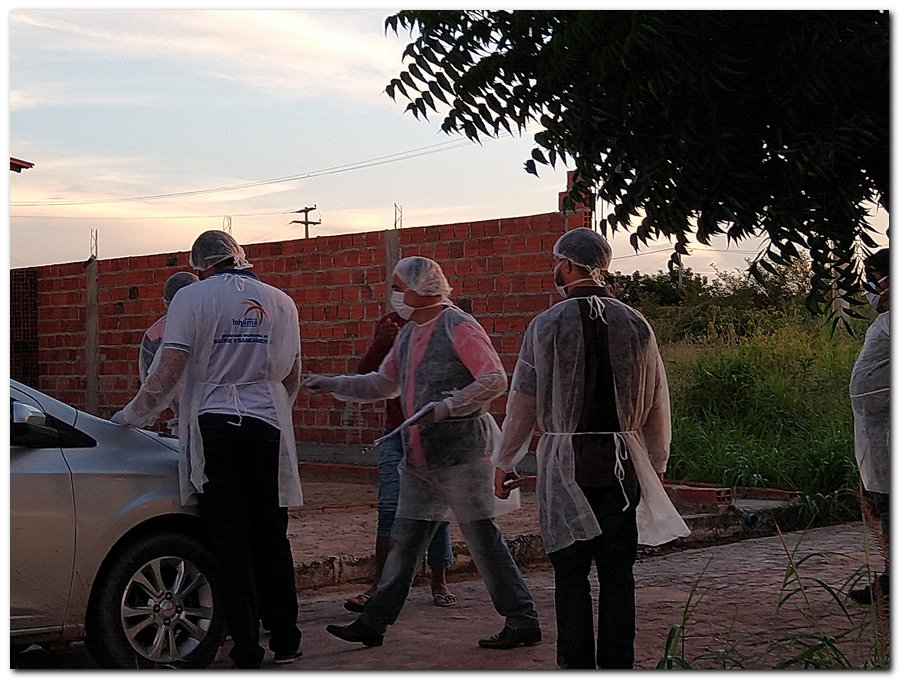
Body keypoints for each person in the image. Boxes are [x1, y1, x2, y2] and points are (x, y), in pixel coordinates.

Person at [303, 256, 540, 650]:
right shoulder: (410, 334)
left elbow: (494, 378)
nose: (394, 296)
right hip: (421, 455)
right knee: (406, 539)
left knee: (483, 539)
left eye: (399, 287)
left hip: (462, 452)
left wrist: (450, 405)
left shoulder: (458, 325)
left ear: (422, 289)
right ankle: (374, 621)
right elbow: (385, 382)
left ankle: (522, 618)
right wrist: (334, 384)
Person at [492, 227, 690, 669]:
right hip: (625, 463)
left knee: (570, 574)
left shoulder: (545, 325)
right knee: (619, 576)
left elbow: (523, 398)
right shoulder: (636, 323)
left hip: (567, 466)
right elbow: (658, 399)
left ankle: (576, 666)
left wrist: (505, 460)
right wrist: (657, 462)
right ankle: (618, 665)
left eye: (556, 261)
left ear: (567, 264)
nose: (554, 269)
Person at [111, 230, 304, 668]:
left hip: (216, 425)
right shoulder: (280, 301)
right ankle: (287, 639)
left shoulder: (191, 300)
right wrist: (272, 409)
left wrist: (131, 417)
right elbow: (293, 374)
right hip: (268, 426)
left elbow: (167, 370)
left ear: (198, 263)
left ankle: (247, 648)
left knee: (230, 540)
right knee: (272, 535)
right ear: (239, 256)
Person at [344, 309, 457, 613]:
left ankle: (438, 579)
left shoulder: (448, 321)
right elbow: (367, 375)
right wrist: (381, 344)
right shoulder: (391, 323)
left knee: (435, 510)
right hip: (397, 433)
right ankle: (380, 584)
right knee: (390, 506)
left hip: (435, 432)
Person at [848, 248, 890, 605]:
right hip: (879, 433)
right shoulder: (886, 320)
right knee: (888, 505)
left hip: (888, 432)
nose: (869, 289)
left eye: (874, 279)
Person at [138, 271, 198, 434]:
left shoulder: (156, 332)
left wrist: (133, 416)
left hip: (204, 417)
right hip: (192, 418)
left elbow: (152, 383)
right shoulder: (155, 333)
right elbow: (152, 383)